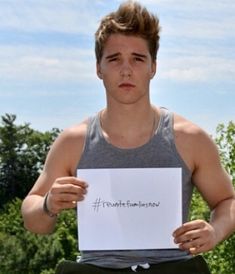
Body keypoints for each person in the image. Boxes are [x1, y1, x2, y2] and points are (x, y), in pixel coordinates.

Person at [21, 1, 235, 273]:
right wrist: (49, 203)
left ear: (153, 67)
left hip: (174, 268)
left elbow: (228, 201)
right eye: (114, 59)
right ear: (99, 68)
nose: (126, 70)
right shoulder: (73, 142)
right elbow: (33, 219)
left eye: (137, 58)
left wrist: (214, 232)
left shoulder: (190, 139)